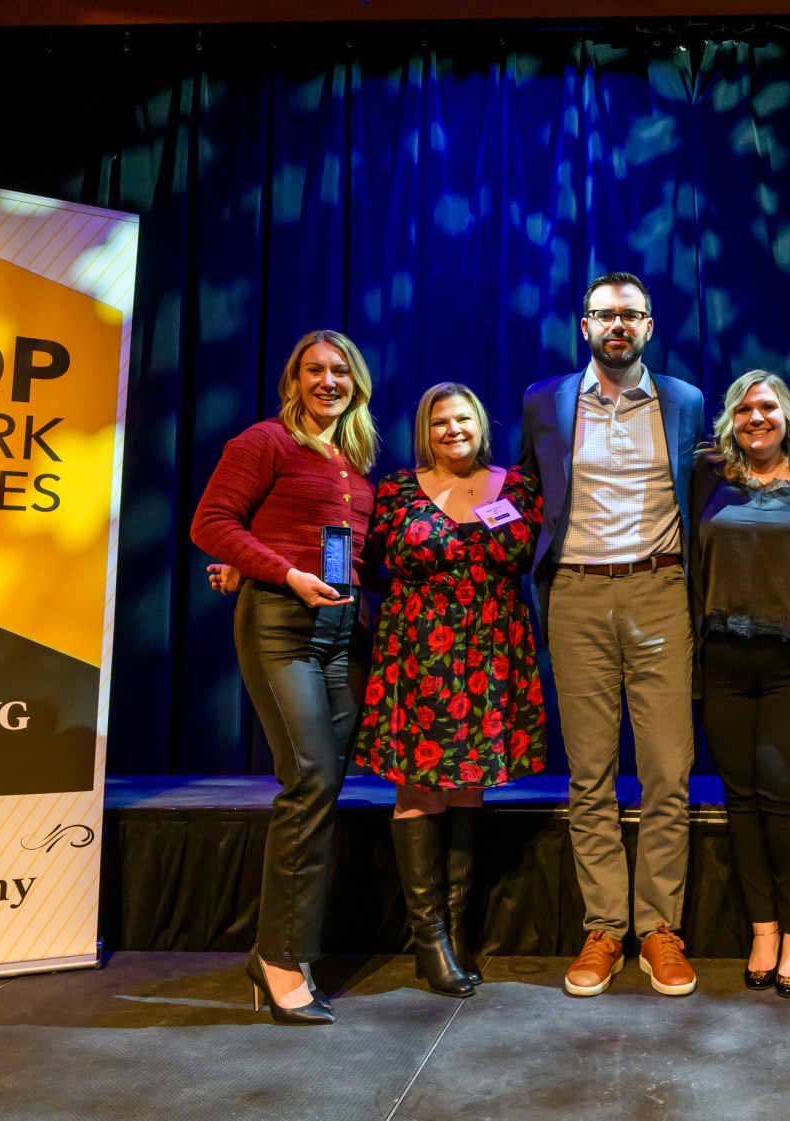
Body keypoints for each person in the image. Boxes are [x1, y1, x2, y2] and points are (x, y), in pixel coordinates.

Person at [517, 271, 706, 998]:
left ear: (650, 327)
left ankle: (658, 927)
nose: (617, 324)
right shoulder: (545, 399)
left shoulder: (685, 402)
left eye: (630, 314)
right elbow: (527, 489)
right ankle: (605, 928)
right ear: (584, 326)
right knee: (589, 772)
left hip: (660, 591)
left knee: (666, 768)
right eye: (604, 314)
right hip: (575, 594)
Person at [190, 329, 380, 1026]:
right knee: (307, 781)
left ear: (356, 382)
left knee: (323, 789)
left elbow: (352, 549)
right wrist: (278, 571)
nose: (327, 381)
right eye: (314, 370)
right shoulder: (263, 442)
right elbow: (210, 522)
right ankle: (277, 961)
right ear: (293, 380)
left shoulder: (354, 462)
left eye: (339, 371)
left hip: (340, 637)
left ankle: (286, 948)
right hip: (280, 627)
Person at [353, 382, 547, 998]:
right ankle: (429, 940)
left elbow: (532, 558)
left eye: (463, 419)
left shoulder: (515, 486)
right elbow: (356, 557)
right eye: (440, 422)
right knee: (419, 792)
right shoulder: (396, 490)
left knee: (468, 790)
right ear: (425, 430)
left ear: (480, 424)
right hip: (417, 654)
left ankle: (456, 934)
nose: (453, 430)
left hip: (492, 654)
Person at [687, 371, 790, 998]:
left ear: (787, 416)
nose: (756, 418)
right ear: (730, 419)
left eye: (767, 407)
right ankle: (764, 928)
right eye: (744, 409)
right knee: (741, 794)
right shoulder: (708, 477)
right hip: (723, 658)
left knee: (785, 792)